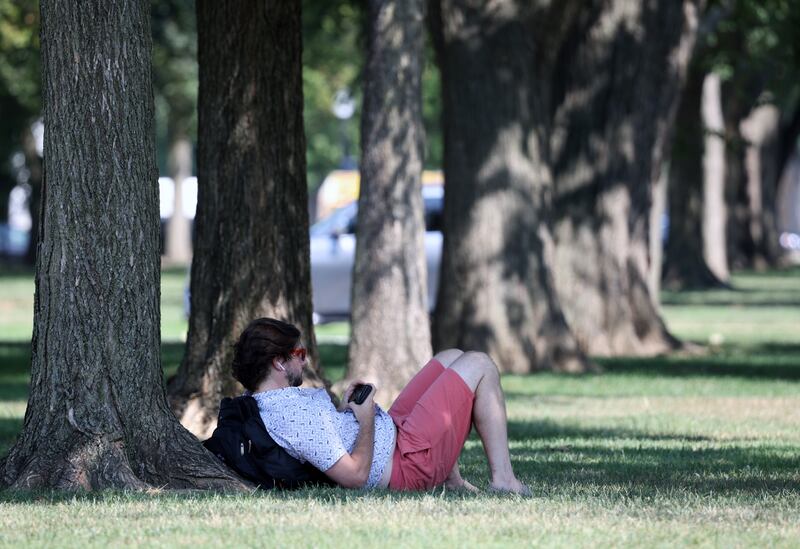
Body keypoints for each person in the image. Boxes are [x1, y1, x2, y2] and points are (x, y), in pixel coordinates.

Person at [232, 317, 530, 494]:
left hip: (395, 435)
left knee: (450, 357)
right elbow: (355, 476)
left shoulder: (270, 403)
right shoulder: (290, 416)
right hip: (405, 464)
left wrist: (347, 411)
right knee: (480, 363)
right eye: (298, 353)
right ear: (278, 363)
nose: (304, 359)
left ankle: (452, 479)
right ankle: (504, 480)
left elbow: (326, 438)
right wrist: (365, 420)